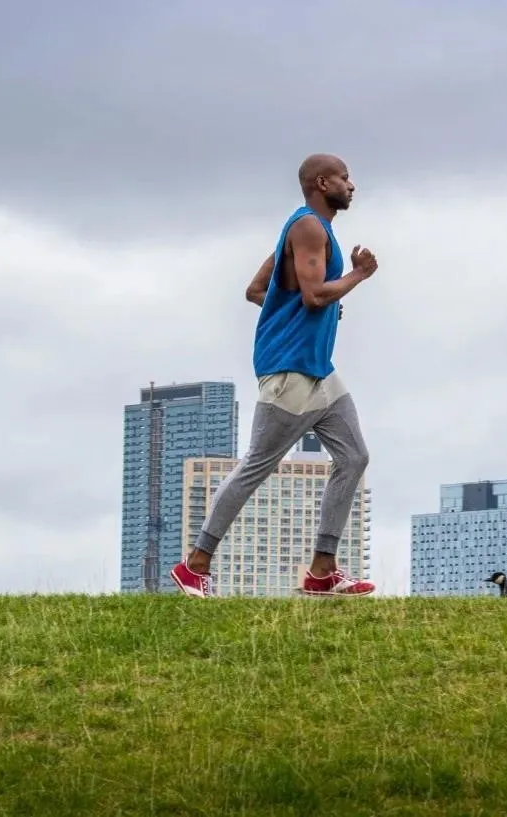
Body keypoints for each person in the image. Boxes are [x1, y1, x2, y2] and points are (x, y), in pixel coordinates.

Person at [170, 153, 377, 598]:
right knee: (256, 467)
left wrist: (319, 303)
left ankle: (322, 571)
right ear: (322, 183)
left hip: (319, 373)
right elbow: (314, 297)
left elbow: (257, 291)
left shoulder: (311, 232)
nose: (352, 185)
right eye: (344, 178)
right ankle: (195, 565)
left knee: (354, 457)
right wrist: (357, 276)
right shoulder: (308, 228)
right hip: (289, 373)